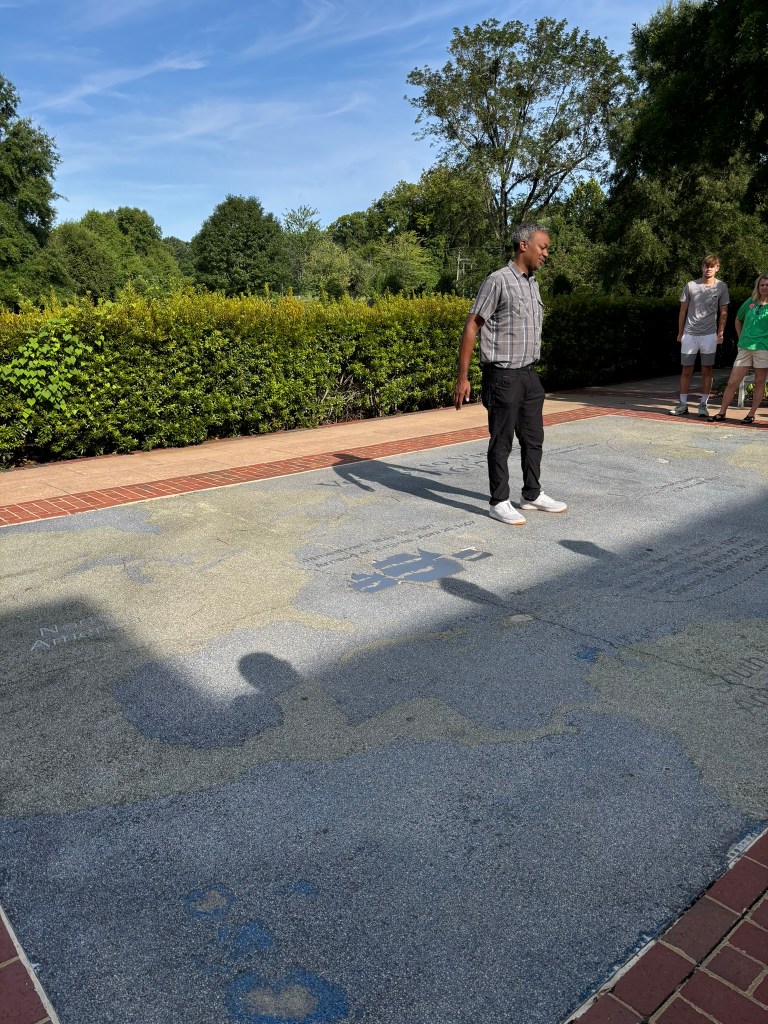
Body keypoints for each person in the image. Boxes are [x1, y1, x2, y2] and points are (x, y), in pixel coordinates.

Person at [453, 222, 567, 525]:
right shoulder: (498, 281)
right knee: (502, 441)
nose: (546, 254)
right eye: (543, 247)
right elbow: (471, 326)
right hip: (502, 376)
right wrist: (463, 377)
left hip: (529, 375)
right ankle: (499, 501)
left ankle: (531, 494)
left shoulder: (532, 284)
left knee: (533, 438)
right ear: (523, 245)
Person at [671, 256, 729, 417]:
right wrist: (680, 332)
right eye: (706, 266)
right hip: (690, 334)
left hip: (709, 335)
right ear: (702, 267)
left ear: (717, 268)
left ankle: (703, 404)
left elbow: (724, 312)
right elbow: (682, 311)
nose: (708, 269)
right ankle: (683, 404)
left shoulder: (721, 286)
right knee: (686, 369)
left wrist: (720, 332)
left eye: (712, 266)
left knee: (707, 370)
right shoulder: (690, 285)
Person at [709, 272, 768, 424]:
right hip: (745, 347)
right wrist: (740, 336)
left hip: (764, 348)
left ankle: (751, 414)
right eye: (762, 285)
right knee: (733, 381)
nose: (764, 287)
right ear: (757, 286)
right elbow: (738, 318)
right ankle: (722, 412)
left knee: (759, 381)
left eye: (767, 285)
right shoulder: (750, 301)